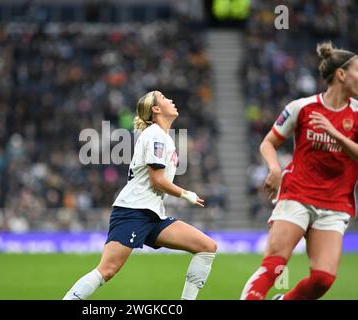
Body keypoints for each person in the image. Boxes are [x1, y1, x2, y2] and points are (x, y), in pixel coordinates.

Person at [63, 90, 217, 300]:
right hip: (133, 211)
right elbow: (158, 180)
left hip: (152, 214)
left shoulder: (162, 137)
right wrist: (185, 194)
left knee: (207, 246)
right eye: (163, 98)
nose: (170, 100)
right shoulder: (155, 135)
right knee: (107, 270)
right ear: (155, 109)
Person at [240, 42, 358, 300]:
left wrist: (334, 133)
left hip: (335, 203)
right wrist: (274, 168)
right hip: (297, 194)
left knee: (323, 280)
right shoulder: (301, 107)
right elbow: (268, 142)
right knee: (274, 266)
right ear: (341, 74)